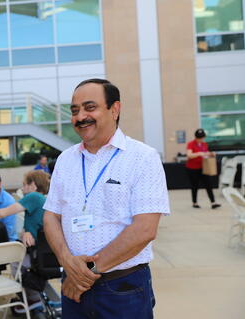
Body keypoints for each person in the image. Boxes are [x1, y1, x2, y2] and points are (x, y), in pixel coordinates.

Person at [43, 78, 170, 318]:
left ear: (115, 109)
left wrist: (85, 272)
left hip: (123, 289)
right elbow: (51, 215)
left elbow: (145, 230)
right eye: (74, 110)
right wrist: (67, 262)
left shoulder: (143, 157)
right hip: (73, 287)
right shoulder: (65, 160)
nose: (81, 117)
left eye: (90, 107)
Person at [0, 170, 50, 311]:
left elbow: (3, 212)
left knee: (15, 262)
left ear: (34, 186)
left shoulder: (34, 197)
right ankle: (33, 296)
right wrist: (27, 231)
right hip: (42, 251)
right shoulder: (41, 199)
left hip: (38, 254)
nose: (22, 188)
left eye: (25, 185)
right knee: (16, 261)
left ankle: (33, 299)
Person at [185, 128, 221, 209]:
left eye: (202, 138)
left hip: (203, 168)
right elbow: (189, 155)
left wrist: (210, 154)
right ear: (196, 137)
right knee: (195, 185)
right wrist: (198, 153)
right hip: (192, 168)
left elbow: (206, 154)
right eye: (199, 138)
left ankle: (213, 202)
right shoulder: (191, 144)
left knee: (208, 184)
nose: (201, 139)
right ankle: (195, 202)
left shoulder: (204, 144)